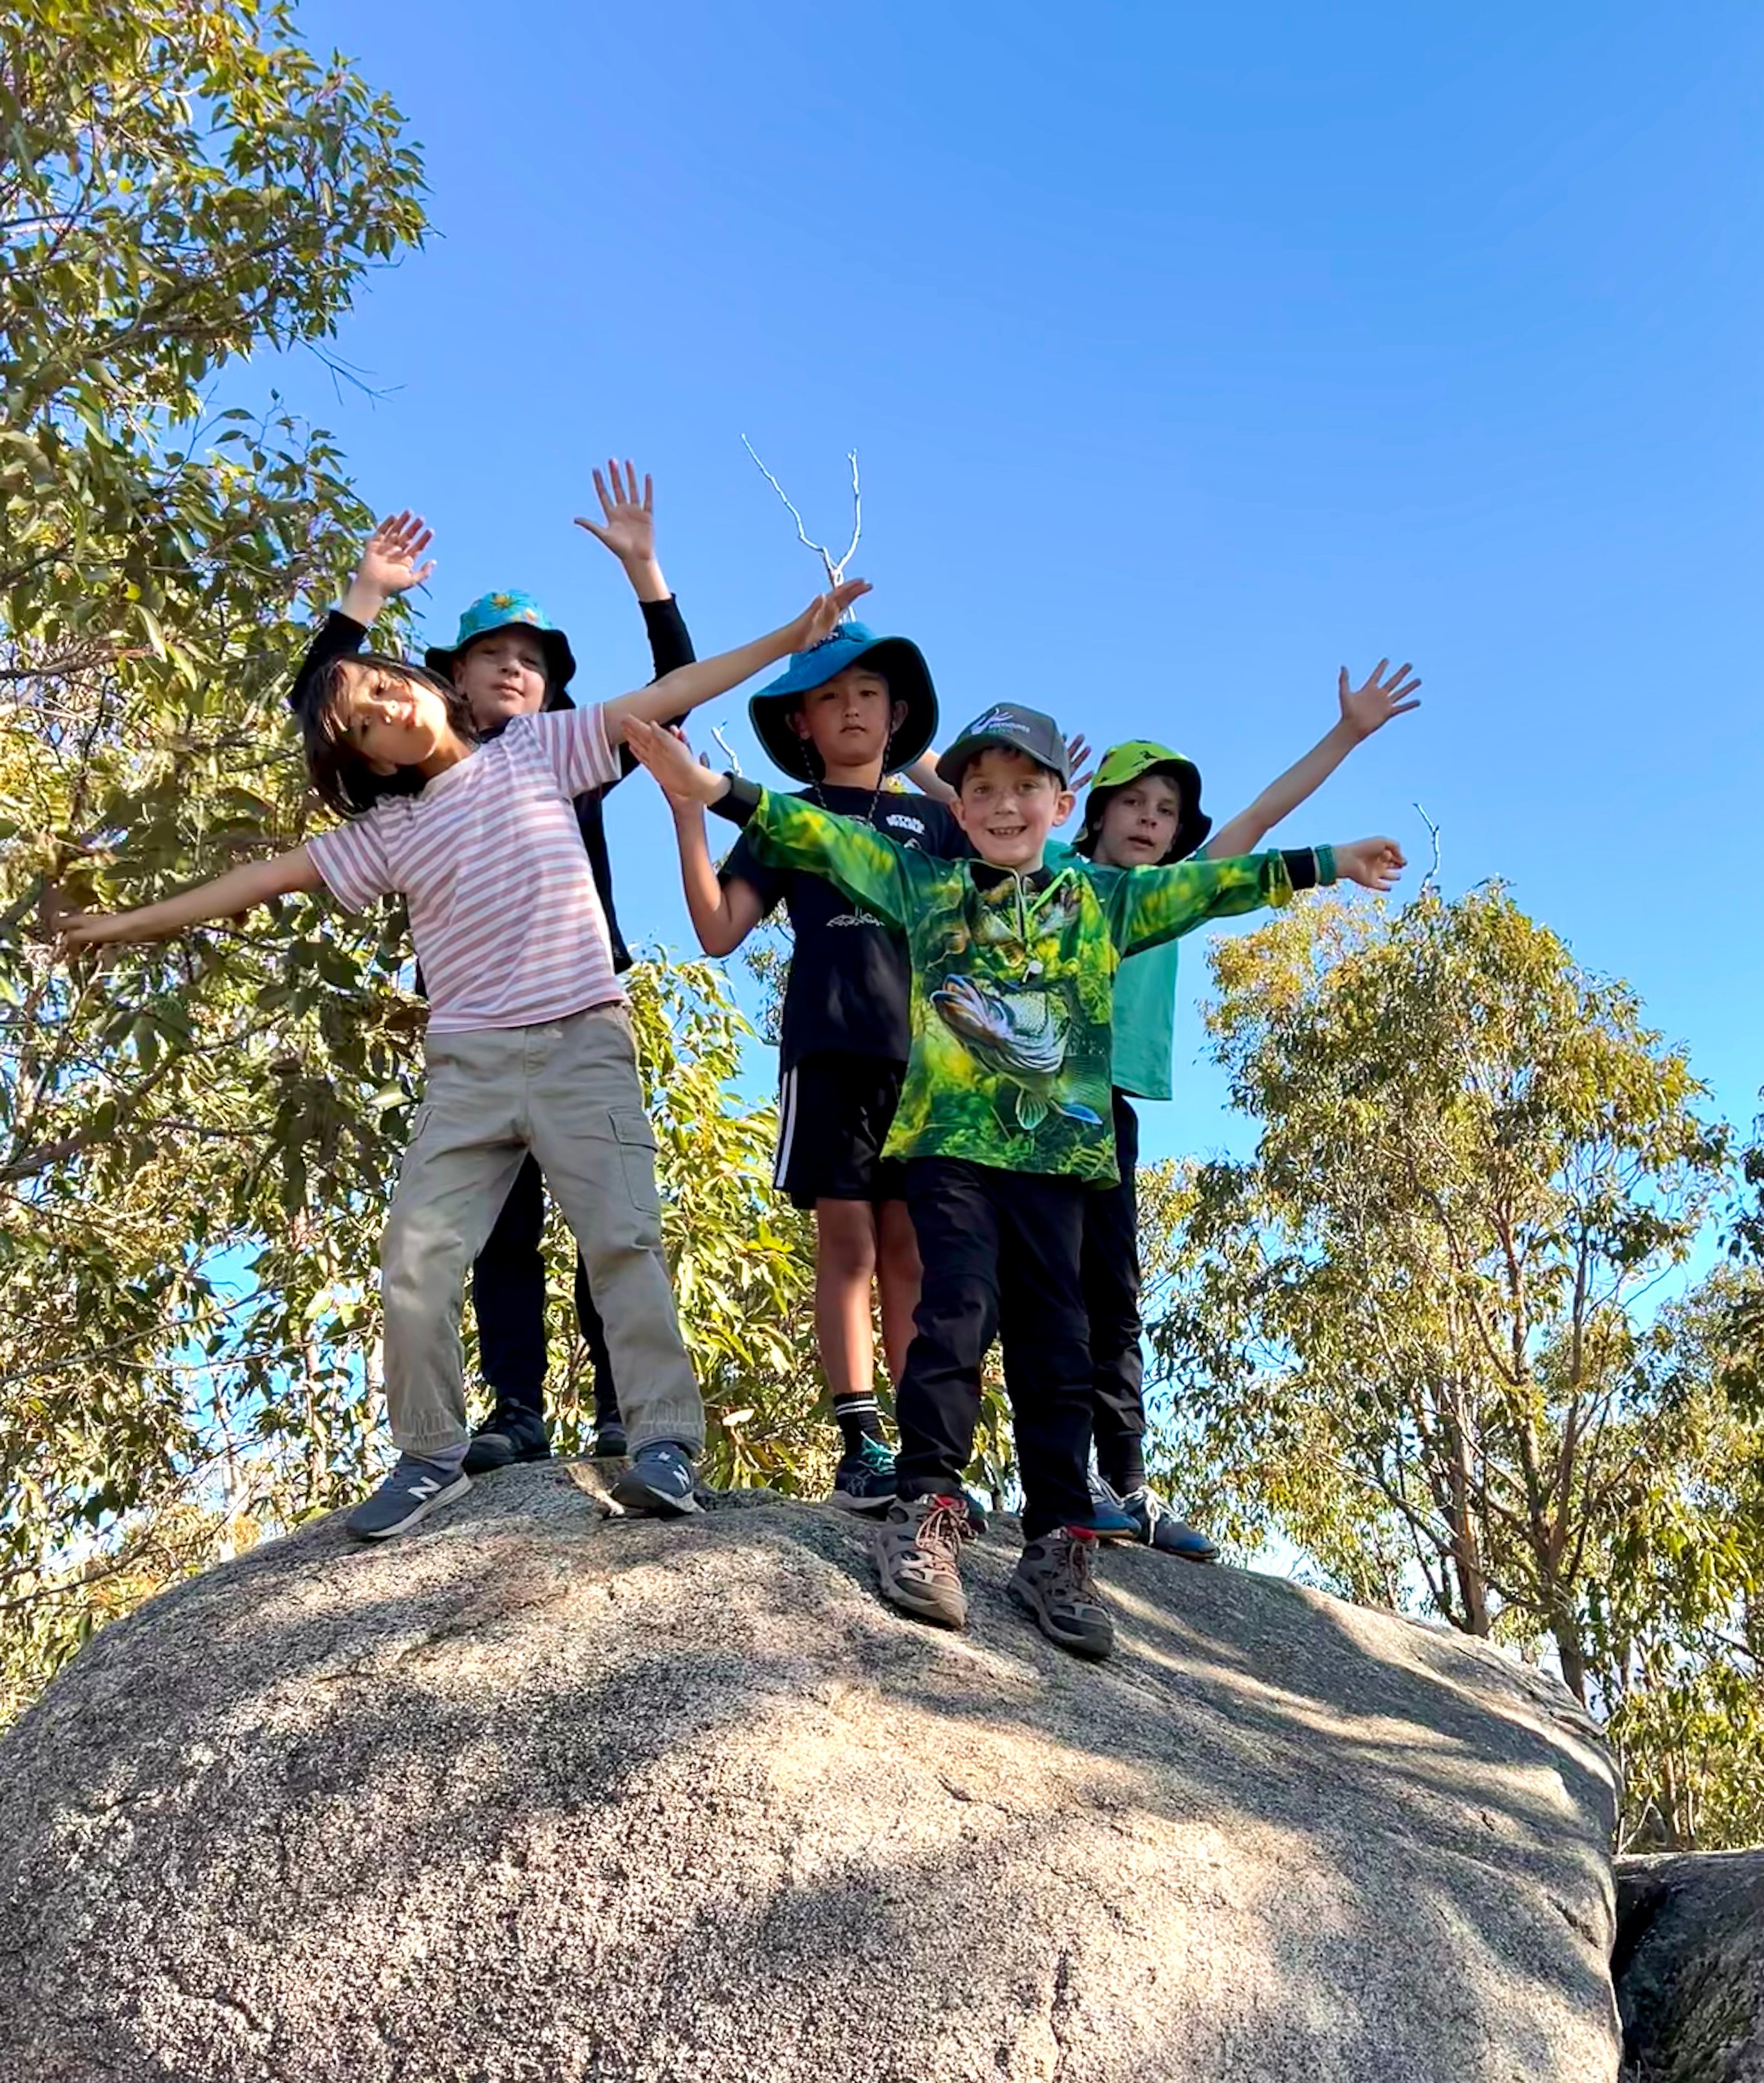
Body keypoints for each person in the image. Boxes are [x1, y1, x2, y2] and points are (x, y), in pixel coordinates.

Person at [59, 579, 869, 1541]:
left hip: (580, 1039)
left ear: (424, 684)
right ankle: (431, 1452)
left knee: (622, 1242)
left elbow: (673, 690)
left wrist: (789, 633)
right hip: (469, 1067)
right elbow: (260, 882)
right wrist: (122, 923)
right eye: (364, 720)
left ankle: (662, 1441)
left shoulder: (539, 747)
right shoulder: (390, 831)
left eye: (383, 685)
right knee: (415, 1262)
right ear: (364, 759)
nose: (385, 705)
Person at [627, 703, 1404, 1660]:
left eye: (1023, 787)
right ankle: (924, 1507)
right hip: (950, 1147)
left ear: (1058, 801)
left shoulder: (1103, 900)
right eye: (981, 788)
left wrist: (1328, 862)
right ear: (958, 802)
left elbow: (1217, 884)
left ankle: (1057, 1544)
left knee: (1059, 1346)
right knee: (956, 1311)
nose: (1001, 804)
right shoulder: (923, 883)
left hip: (1061, 1158)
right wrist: (715, 791)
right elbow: (819, 835)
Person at [288, 463, 692, 1473]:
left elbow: (672, 701)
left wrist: (648, 573)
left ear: (551, 685)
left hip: (576, 1009)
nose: (513, 668)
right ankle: (517, 1408)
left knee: (610, 1224)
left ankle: (621, 1411)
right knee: (497, 1233)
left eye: (531, 658)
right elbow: (324, 708)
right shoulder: (411, 785)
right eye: (490, 654)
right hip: (472, 1024)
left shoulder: (565, 754)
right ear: (447, 680)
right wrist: (361, 601)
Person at [1072, 659, 1423, 1558]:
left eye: (1164, 810)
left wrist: (1346, 734)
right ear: (1095, 812)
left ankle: (1127, 1484)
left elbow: (1262, 820)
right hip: (1034, 1099)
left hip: (1108, 1106)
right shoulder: (1049, 878)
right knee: (1040, 1293)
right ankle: (1058, 1475)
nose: (1150, 820)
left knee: (1114, 1298)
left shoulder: (1179, 892)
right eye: (1133, 802)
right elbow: (969, 814)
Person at [667, 615, 965, 1513]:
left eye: (866, 693)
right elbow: (720, 930)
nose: (848, 709)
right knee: (848, 1242)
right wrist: (688, 814)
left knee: (914, 1248)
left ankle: (926, 1447)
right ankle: (860, 1440)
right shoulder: (784, 818)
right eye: (827, 696)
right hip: (830, 1047)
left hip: (928, 1060)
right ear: (798, 722)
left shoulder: (936, 821)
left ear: (898, 711)